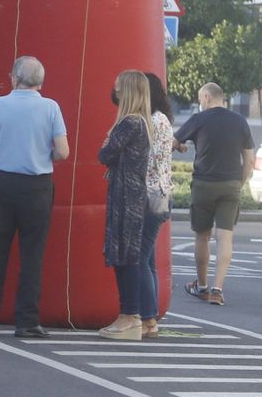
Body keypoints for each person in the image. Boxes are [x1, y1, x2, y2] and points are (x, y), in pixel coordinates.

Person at [0, 56, 69, 338]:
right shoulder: (51, 107)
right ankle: (27, 320)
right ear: (41, 80)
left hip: (2, 183)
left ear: (14, 78)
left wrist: (4, 148)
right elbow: (63, 152)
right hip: (37, 186)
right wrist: (42, 153)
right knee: (32, 255)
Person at [174, 82, 256, 307]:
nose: (200, 102)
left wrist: (180, 147)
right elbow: (249, 159)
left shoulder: (198, 120)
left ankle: (201, 287)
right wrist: (239, 182)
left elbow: (172, 143)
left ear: (208, 97)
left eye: (201, 98)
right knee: (225, 237)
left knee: (202, 236)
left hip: (203, 184)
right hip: (230, 184)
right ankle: (218, 290)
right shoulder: (240, 121)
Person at [97, 70, 160, 340]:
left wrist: (108, 143)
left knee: (126, 256)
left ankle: (130, 315)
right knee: (127, 255)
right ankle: (127, 315)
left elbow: (104, 154)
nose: (116, 92)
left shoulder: (129, 123)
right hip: (134, 195)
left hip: (126, 196)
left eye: (119, 88)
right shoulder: (143, 122)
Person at [141, 73, 175, 338]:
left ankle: (148, 318)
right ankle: (150, 318)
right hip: (162, 194)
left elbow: (146, 158)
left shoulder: (151, 121)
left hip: (150, 194)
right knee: (148, 259)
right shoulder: (163, 119)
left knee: (141, 259)